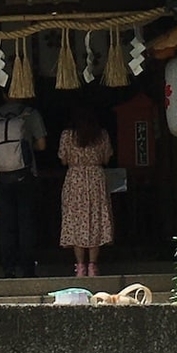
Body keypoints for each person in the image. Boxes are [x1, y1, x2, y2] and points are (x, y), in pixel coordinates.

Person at [0, 96, 47, 278]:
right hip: (25, 174)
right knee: (26, 220)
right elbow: (42, 144)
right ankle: (28, 267)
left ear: (3, 93)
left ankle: (8, 267)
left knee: (7, 222)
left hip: (2, 175)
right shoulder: (30, 114)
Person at [58, 107, 113, 277]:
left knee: (77, 221)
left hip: (75, 179)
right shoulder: (101, 135)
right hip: (96, 178)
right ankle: (93, 266)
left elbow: (63, 159)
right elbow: (106, 158)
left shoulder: (67, 136)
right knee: (95, 219)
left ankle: (80, 266)